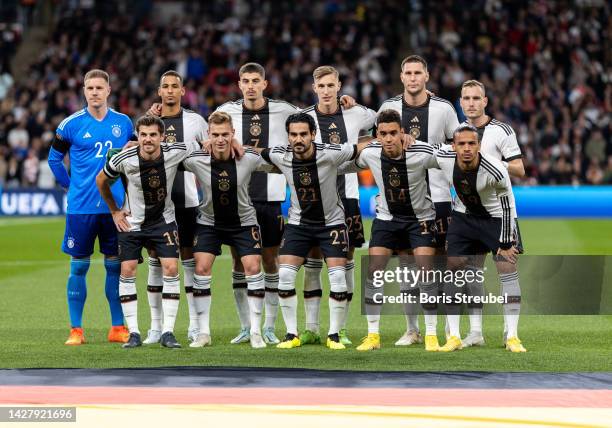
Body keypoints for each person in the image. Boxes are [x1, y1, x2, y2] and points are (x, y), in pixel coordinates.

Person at [258, 113, 369, 350]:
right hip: (299, 224)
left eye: (303, 134)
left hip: (332, 224)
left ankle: (334, 335)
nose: (298, 139)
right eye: (294, 135)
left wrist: (386, 138)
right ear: (288, 136)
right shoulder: (281, 155)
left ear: (313, 135)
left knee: (338, 278)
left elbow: (360, 147)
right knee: (285, 276)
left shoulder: (330, 153)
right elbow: (256, 151)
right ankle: (291, 334)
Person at [96, 115, 201, 349]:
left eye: (153, 134)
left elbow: (203, 145)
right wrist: (114, 211)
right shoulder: (124, 158)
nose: (148, 139)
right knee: (127, 269)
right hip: (132, 222)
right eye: (143, 135)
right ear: (137, 136)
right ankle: (133, 332)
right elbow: (101, 180)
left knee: (172, 268)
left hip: (163, 221)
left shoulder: (175, 151)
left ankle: (167, 332)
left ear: (162, 137)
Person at [338, 110, 440, 351]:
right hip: (387, 219)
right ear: (377, 136)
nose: (389, 138)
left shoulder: (421, 152)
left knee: (423, 271)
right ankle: (374, 335)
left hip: (420, 218)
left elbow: (449, 160)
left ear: (402, 133)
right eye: (383, 134)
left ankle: (431, 334)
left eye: (394, 133)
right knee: (374, 270)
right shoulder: (371, 154)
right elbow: (341, 162)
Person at [214, 62, 299, 345]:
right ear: (239, 84)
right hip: (236, 198)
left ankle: (270, 327)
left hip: (271, 196)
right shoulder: (225, 112)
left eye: (255, 80)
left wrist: (343, 104)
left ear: (265, 84)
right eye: (245, 80)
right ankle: (246, 325)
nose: (250, 85)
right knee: (239, 261)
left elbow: (311, 126)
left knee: (269, 260)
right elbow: (208, 140)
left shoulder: (285, 110)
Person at [378, 55, 459, 346]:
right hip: (402, 202)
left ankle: (450, 329)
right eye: (408, 73)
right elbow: (375, 141)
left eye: (417, 73)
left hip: (438, 198)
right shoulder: (388, 107)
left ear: (427, 76)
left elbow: (457, 146)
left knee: (442, 264)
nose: (413, 78)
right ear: (401, 77)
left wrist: (423, 146)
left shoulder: (444, 108)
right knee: (407, 266)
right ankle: (413, 329)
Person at [48, 69, 132, 345]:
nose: (94, 92)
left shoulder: (124, 123)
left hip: (114, 209)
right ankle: (76, 330)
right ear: (84, 91)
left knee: (114, 268)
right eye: (89, 88)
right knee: (78, 268)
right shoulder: (70, 125)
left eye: (99, 88)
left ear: (109, 90)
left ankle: (117, 328)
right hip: (81, 208)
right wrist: (68, 185)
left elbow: (132, 161)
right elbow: (53, 160)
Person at [182, 112, 278, 348]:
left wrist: (243, 145)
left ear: (233, 134)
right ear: (208, 135)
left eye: (225, 134)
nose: (221, 139)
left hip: (243, 222)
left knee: (253, 268)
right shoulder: (196, 158)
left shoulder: (249, 157)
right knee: (201, 270)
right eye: (215, 135)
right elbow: (167, 152)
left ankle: (256, 331)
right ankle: (203, 333)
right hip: (209, 223)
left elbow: (279, 160)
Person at [431, 124, 526, 353]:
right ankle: (455, 336)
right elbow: (427, 148)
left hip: (496, 219)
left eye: (471, 143)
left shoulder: (495, 170)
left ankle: (512, 336)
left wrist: (504, 243)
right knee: (454, 267)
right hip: (464, 217)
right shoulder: (444, 156)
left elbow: (507, 206)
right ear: (453, 146)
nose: (466, 148)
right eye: (461, 144)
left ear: (479, 146)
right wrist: (408, 140)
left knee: (507, 267)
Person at [300, 65, 376, 346]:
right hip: (315, 198)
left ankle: (340, 328)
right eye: (322, 86)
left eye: (331, 85)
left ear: (339, 86)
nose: (327, 91)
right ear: (314, 88)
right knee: (312, 260)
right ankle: (310, 327)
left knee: (345, 260)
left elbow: (385, 120)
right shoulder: (305, 118)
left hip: (349, 197)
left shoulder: (357, 114)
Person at [458, 79, 526, 347]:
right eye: (466, 98)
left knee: (506, 269)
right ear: (461, 102)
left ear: (485, 101)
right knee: (471, 272)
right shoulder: (455, 131)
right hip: (469, 214)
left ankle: (512, 334)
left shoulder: (502, 130)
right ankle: (476, 333)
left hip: (500, 213)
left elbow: (519, 169)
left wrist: (487, 162)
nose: (472, 103)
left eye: (476, 98)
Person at [143, 70, 209, 345]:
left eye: (175, 87)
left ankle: (195, 326)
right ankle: (155, 328)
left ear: (183, 91)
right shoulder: (151, 122)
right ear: (159, 91)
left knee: (189, 261)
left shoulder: (195, 121)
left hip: (187, 201)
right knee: (157, 262)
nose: (170, 91)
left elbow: (208, 153)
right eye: (165, 87)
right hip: (157, 205)